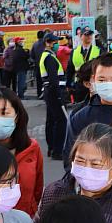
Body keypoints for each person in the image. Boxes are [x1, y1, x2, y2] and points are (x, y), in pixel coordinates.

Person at [0, 87, 43, 218]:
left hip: (23, 221)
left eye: (4, 113)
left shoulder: (32, 148)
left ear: (17, 116)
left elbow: (38, 189)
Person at [39, 33, 67, 161]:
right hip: (54, 92)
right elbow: (53, 79)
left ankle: (52, 148)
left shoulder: (47, 56)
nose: (57, 44)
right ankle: (58, 150)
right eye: (55, 42)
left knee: (51, 120)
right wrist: (60, 96)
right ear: (48, 43)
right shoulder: (49, 58)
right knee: (61, 121)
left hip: (50, 92)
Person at [31, 30, 46, 98]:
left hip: (37, 65)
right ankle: (45, 94)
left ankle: (39, 94)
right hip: (46, 64)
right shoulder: (45, 44)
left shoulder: (35, 44)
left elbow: (32, 55)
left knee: (39, 80)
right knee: (46, 80)